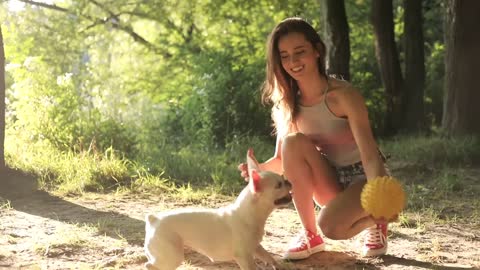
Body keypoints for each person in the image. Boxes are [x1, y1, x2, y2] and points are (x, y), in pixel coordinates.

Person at [238, 17, 394, 260]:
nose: (293, 62)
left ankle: (377, 221)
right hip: (330, 178)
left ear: (317, 51)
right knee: (293, 142)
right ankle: (310, 235)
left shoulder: (344, 95)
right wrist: (256, 170)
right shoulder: (286, 104)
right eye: (285, 55)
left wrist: (379, 196)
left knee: (333, 226)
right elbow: (283, 159)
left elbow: (370, 154)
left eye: (300, 52)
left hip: (364, 176)